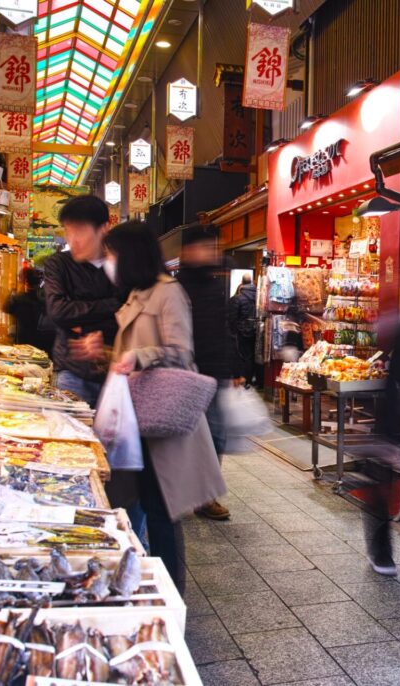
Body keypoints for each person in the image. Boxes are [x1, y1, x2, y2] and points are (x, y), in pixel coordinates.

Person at [74, 221, 226, 592]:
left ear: (130, 255)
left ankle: (171, 592)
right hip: (135, 418)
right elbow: (128, 356)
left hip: (160, 420)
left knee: (161, 512)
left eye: (112, 254)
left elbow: (181, 352)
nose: (109, 262)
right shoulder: (137, 293)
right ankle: (142, 580)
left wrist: (138, 356)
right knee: (135, 503)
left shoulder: (167, 292)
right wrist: (104, 354)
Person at [356, 315, 400, 576]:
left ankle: (380, 552)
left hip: (385, 435)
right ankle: (380, 553)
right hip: (390, 436)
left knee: (380, 492)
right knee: (382, 494)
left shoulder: (397, 358)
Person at [176, 225, 237, 521]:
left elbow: (223, 329)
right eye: (206, 247)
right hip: (186, 374)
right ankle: (179, 492)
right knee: (184, 436)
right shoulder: (176, 287)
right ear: (188, 251)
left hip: (215, 373)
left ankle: (205, 496)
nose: (212, 252)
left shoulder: (215, 283)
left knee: (216, 437)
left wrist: (233, 368)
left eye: (214, 247)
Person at [43, 195, 121, 407]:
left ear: (104, 228)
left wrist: (82, 324)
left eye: (79, 231)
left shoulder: (122, 266)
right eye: (68, 231)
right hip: (71, 373)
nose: (72, 240)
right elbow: (57, 311)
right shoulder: (58, 264)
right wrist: (113, 306)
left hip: (116, 375)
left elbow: (131, 312)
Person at [3, 267, 55, 354]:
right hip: (45, 346)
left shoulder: (18, 299)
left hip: (25, 347)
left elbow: (6, 307)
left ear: (25, 282)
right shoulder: (47, 299)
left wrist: (15, 290)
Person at [229, 274, 259, 388]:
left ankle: (244, 379)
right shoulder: (259, 295)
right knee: (253, 355)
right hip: (257, 330)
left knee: (243, 355)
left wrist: (234, 330)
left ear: (242, 283)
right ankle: (252, 379)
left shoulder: (238, 298)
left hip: (242, 331)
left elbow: (232, 317)